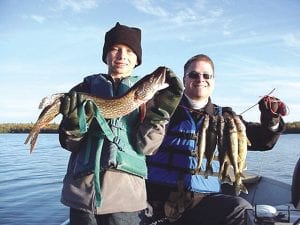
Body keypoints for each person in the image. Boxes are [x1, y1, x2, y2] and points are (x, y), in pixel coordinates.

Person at [58, 22, 183, 225]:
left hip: (126, 199)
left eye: (129, 51)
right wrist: (73, 126)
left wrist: (159, 114)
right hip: (82, 196)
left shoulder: (149, 99)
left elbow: (148, 147)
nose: (122, 55)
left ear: (137, 59)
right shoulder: (84, 89)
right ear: (106, 55)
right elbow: (69, 144)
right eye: (115, 49)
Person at [145, 54, 287, 225]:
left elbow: (263, 141)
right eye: (193, 74)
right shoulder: (163, 109)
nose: (200, 79)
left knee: (240, 208)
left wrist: (271, 120)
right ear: (184, 79)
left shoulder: (226, 118)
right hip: (157, 197)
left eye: (207, 75)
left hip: (204, 200)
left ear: (214, 81)